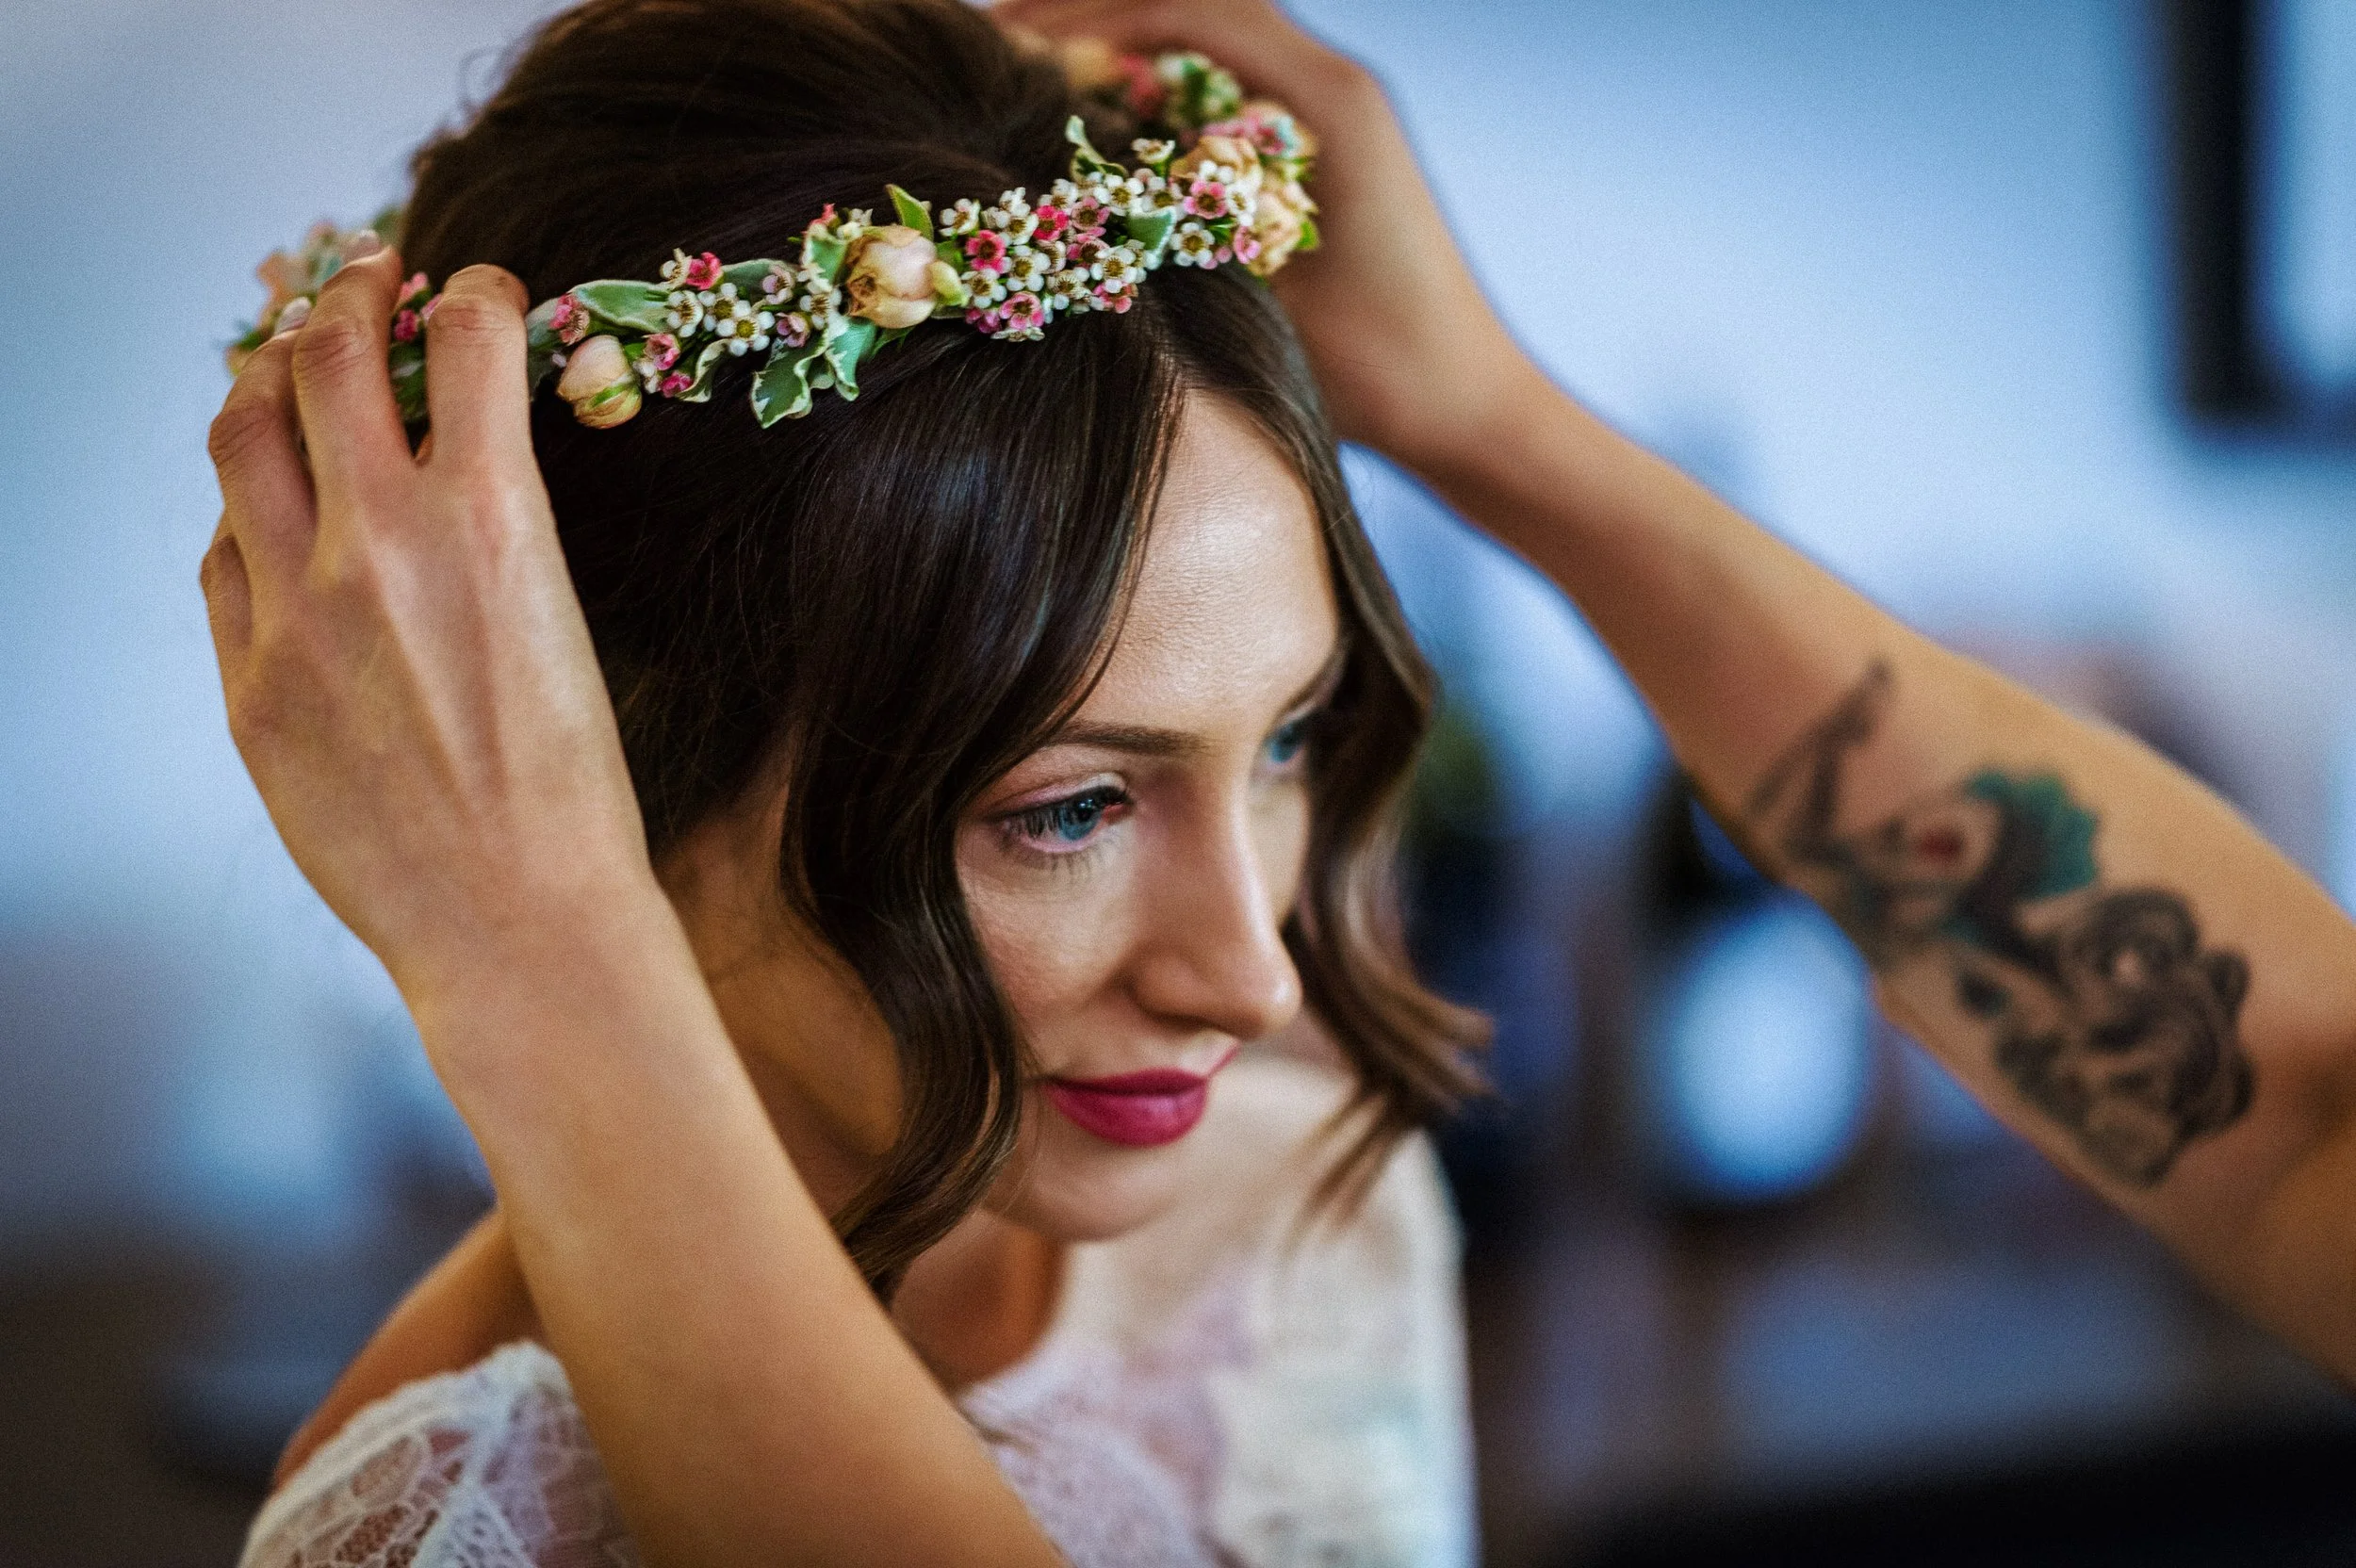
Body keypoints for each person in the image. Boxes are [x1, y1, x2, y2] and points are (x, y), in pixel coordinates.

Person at [204, 0, 2356, 1563]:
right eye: (1064, 805)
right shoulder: (449, 1521)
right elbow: (2303, 1103)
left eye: (1294, 741)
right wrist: (532, 962)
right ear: (567, 728)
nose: (1247, 976)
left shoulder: (1288, 1191)